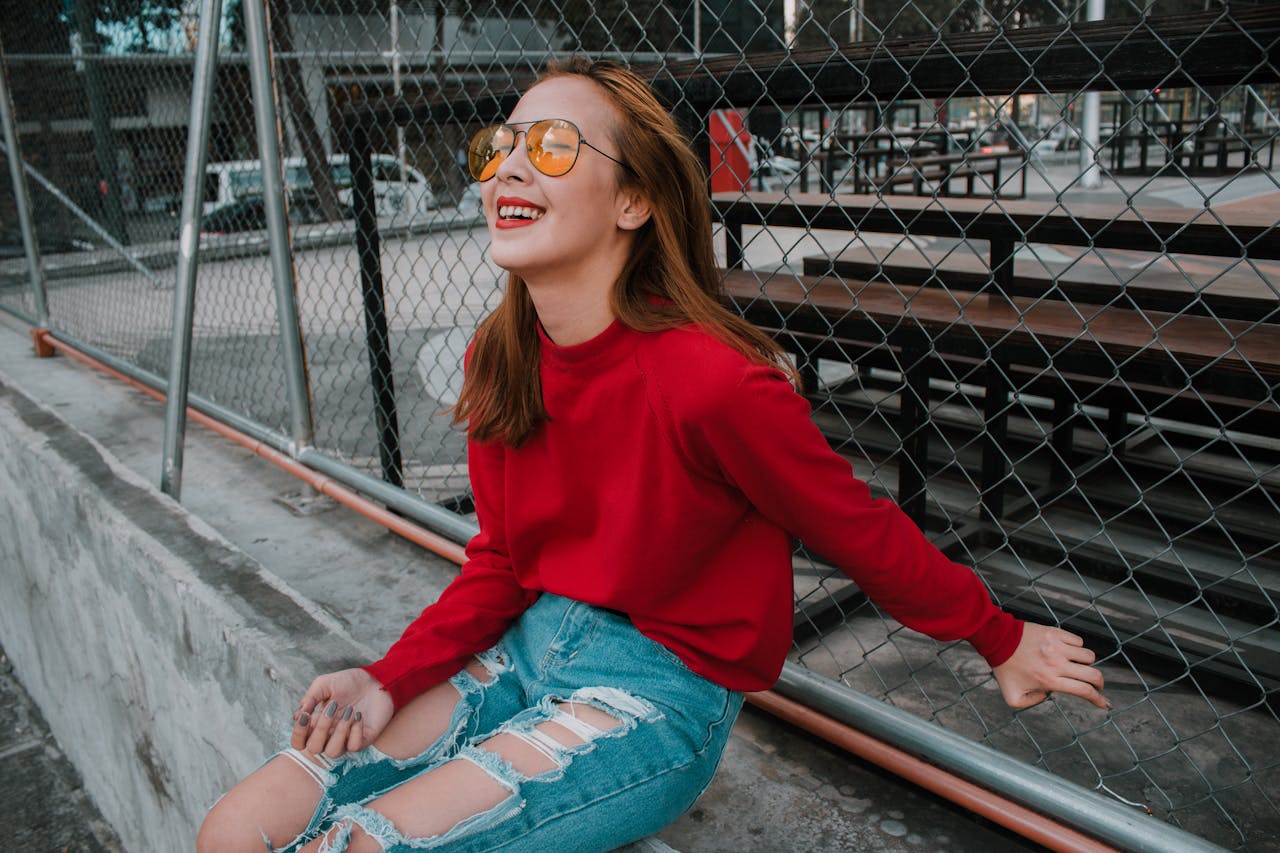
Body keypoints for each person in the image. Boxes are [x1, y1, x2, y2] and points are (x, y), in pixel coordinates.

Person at [197, 57, 1108, 853]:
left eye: (552, 146)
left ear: (633, 199)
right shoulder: (499, 354)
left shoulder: (713, 382)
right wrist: (387, 677)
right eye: (499, 146)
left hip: (655, 695)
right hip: (527, 645)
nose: (509, 164)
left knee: (356, 847)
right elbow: (504, 563)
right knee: (233, 832)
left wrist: (1001, 635)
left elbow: (858, 530)